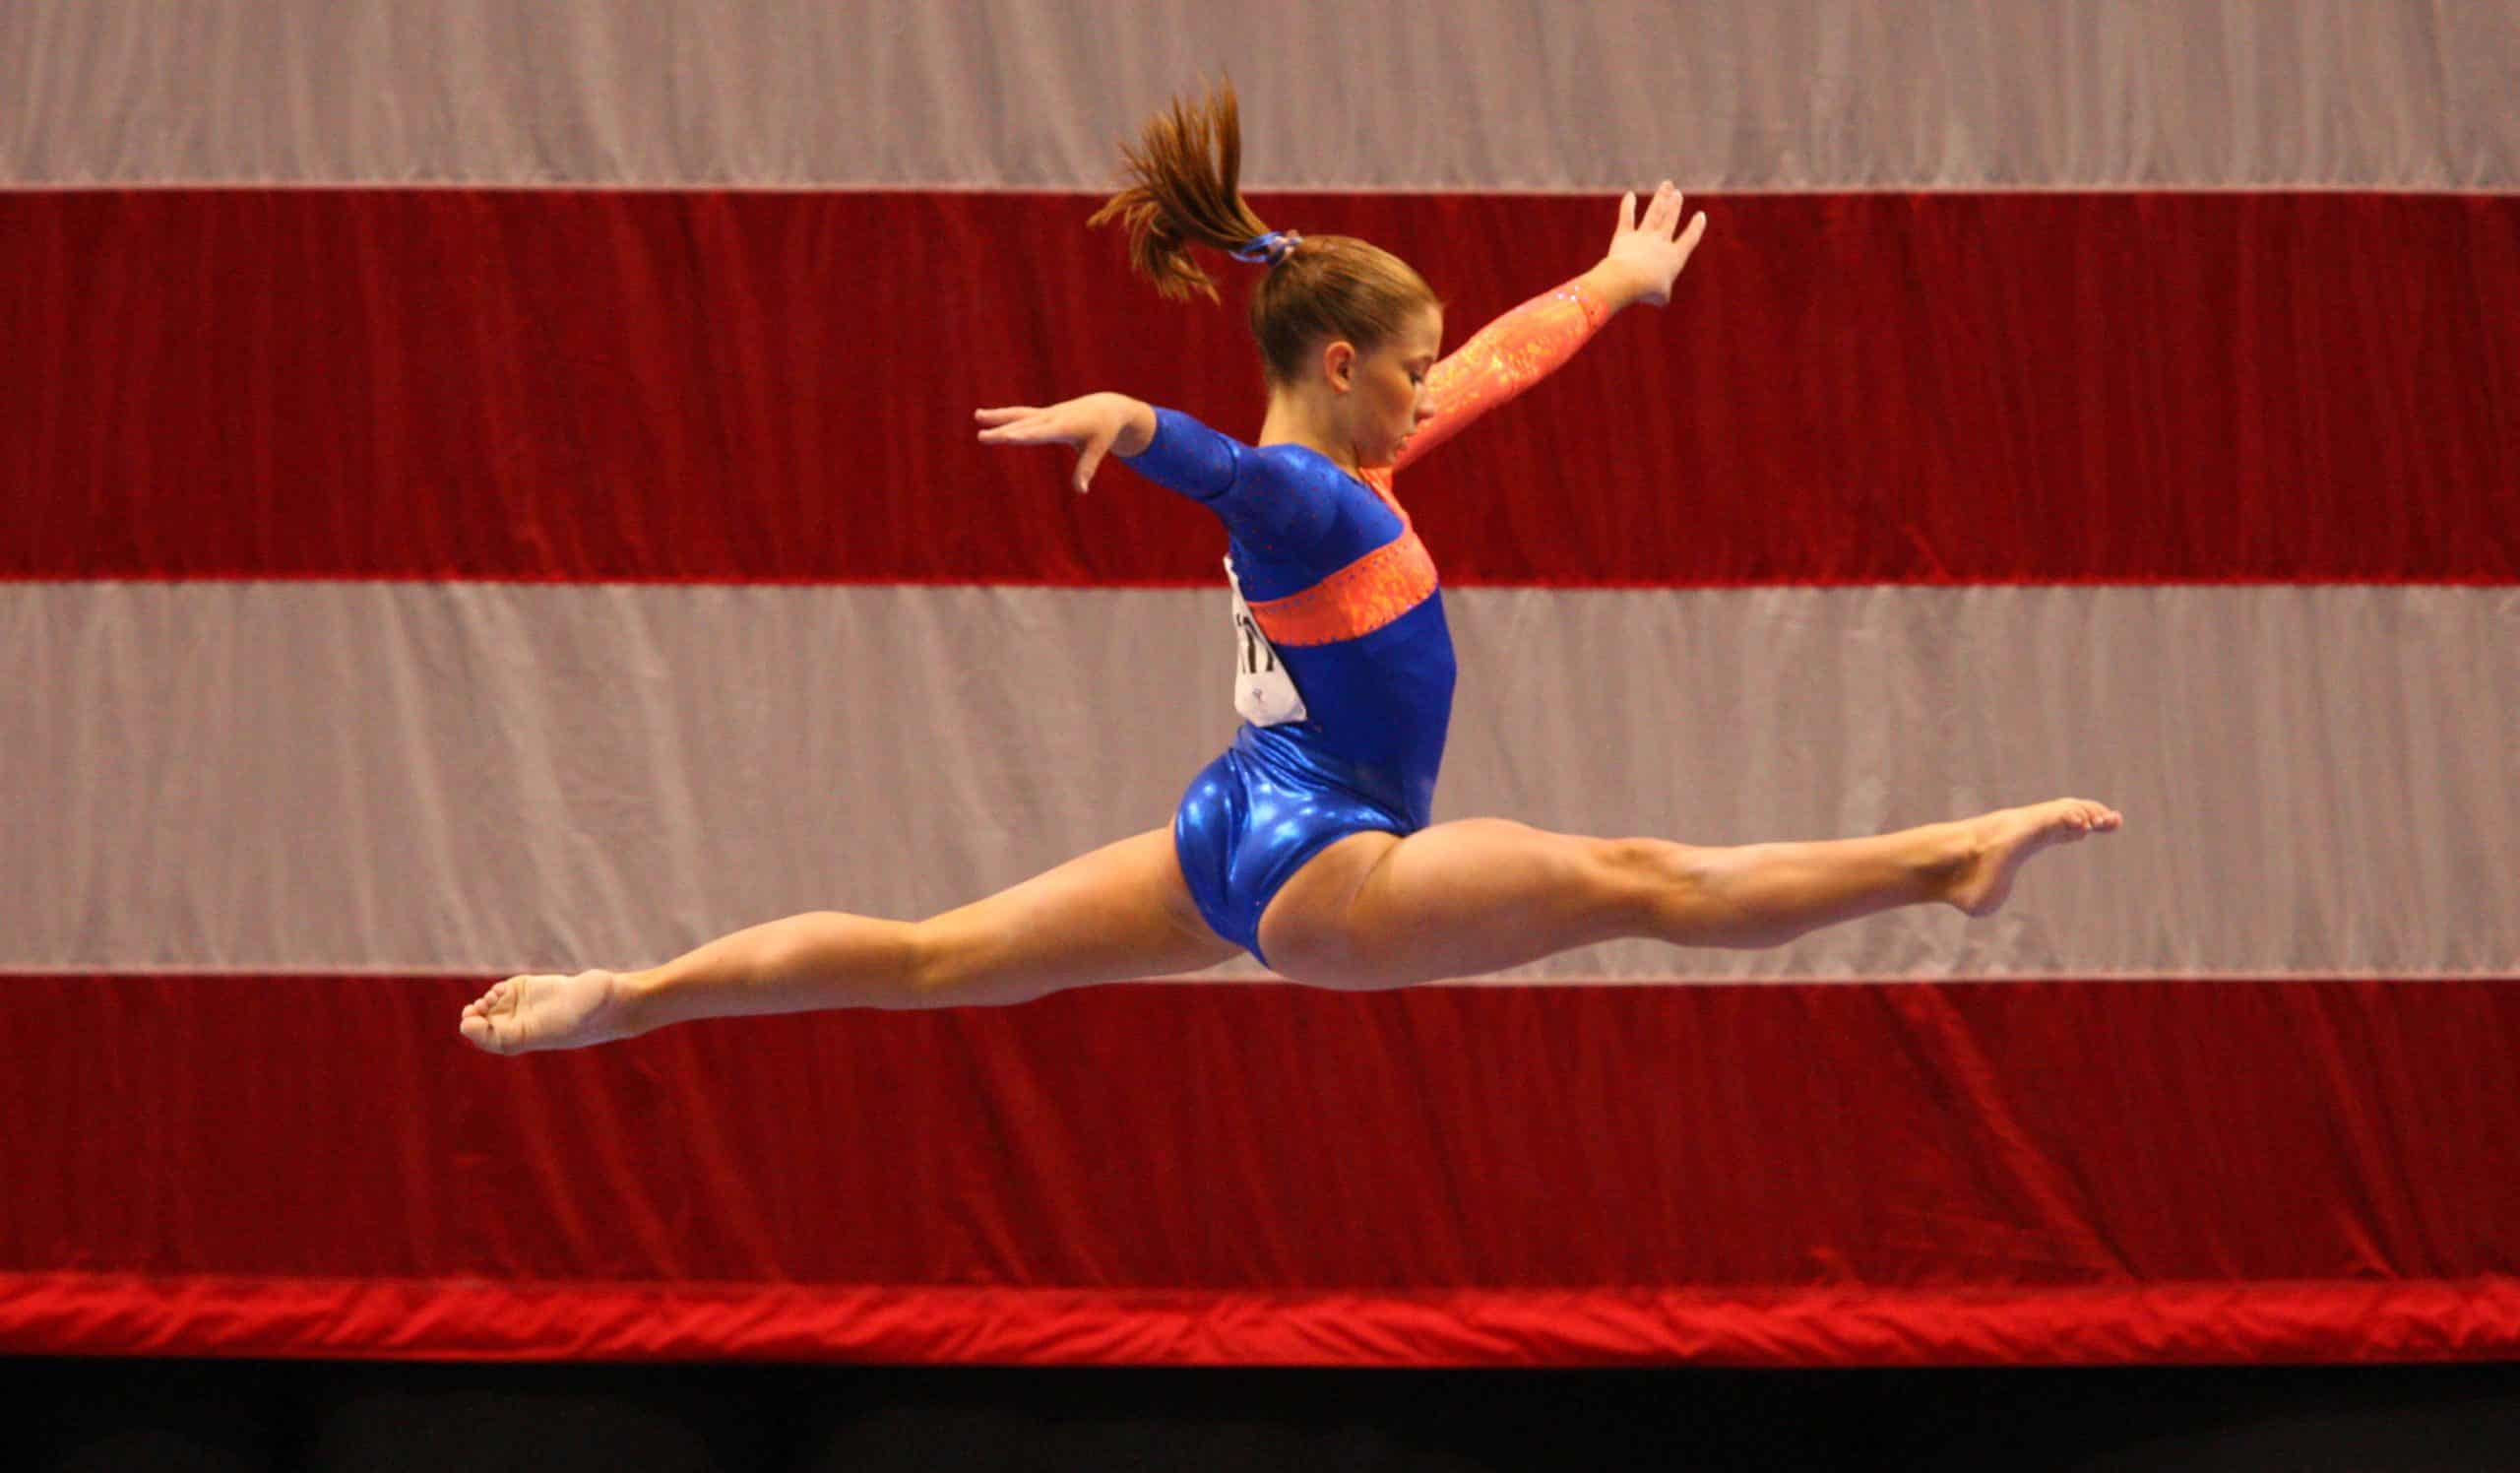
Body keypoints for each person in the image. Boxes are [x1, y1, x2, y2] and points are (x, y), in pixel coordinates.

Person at [460, 82, 2118, 1056]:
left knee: (927, 958)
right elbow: (1226, 465)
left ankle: (629, 999)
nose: (1426, 390)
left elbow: (1499, 367)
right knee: (1641, 883)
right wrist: (1131, 412)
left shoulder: (1350, 464)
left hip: (1235, 817)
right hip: (1324, 863)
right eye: (1405, 370)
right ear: (1335, 366)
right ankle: (1943, 858)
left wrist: (1612, 287)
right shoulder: (1304, 498)